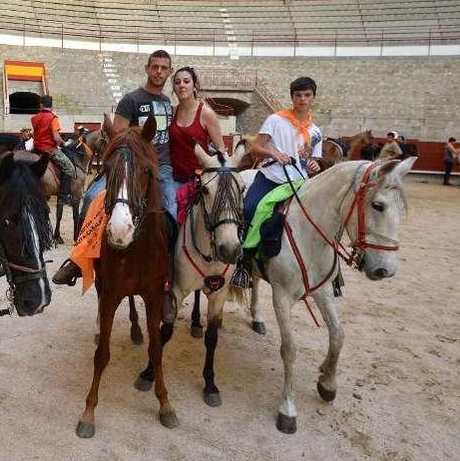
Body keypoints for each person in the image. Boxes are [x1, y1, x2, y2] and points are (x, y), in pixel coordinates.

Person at [52, 66, 226, 297]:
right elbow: (119, 136)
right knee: (93, 197)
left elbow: (221, 151)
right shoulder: (163, 108)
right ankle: (78, 258)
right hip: (143, 167)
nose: (181, 85)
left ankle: (173, 276)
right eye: (179, 82)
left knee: (174, 214)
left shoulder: (194, 110)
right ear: (149, 70)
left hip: (178, 173)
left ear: (194, 85)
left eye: (186, 81)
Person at [231, 76, 328, 286]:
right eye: (298, 95)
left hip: (300, 183)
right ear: (292, 97)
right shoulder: (276, 120)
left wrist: (315, 165)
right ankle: (243, 262)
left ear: (313, 98)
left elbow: (315, 161)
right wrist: (274, 155)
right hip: (272, 178)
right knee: (249, 208)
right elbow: (255, 148)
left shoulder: (316, 132)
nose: (302, 99)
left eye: (307, 95)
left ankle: (330, 274)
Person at [77, 50, 175, 222]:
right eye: (155, 67)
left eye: (164, 68)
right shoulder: (131, 100)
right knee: (91, 198)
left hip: (162, 166)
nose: (159, 71)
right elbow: (117, 140)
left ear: (170, 71)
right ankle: (80, 246)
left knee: (173, 207)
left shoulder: (167, 102)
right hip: (131, 167)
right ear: (147, 68)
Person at [31, 95, 75, 203]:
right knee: (70, 168)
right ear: (51, 105)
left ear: (41, 105)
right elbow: (56, 137)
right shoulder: (53, 118)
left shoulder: (34, 118)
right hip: (49, 149)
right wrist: (63, 143)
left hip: (36, 149)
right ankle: (64, 195)